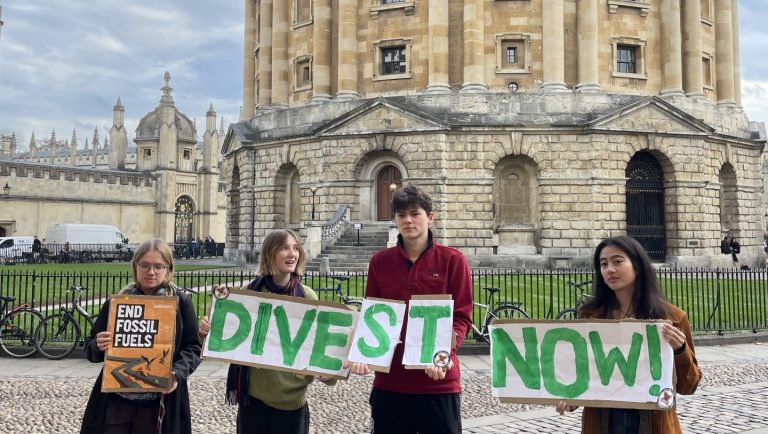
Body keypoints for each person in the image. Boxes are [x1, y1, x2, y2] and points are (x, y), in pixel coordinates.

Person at [346, 185, 473, 434]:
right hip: (390, 384)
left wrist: (443, 355)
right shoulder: (379, 262)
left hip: (438, 382)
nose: (407, 220)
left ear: (430, 217)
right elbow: (374, 315)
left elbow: (461, 318)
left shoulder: (452, 260)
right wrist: (365, 355)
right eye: (401, 215)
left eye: (415, 213)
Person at [555, 235, 701, 434]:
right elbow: (583, 374)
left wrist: (680, 350)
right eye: (603, 264)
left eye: (617, 261)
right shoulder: (591, 316)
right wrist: (571, 399)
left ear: (637, 266)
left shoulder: (672, 318)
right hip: (603, 423)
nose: (609, 270)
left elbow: (688, 386)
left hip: (652, 424)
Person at [199, 229, 334, 434]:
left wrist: (329, 374)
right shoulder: (248, 292)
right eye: (284, 248)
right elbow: (221, 343)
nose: (292, 254)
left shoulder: (307, 296)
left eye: (296, 248)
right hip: (253, 400)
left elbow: (318, 347)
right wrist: (206, 333)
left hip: (291, 402)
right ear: (270, 253)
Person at [80, 238, 201, 434]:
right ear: (135, 266)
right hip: (117, 402)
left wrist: (176, 373)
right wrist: (97, 345)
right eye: (145, 265)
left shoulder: (181, 303)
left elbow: (193, 348)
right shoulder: (116, 304)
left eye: (158, 266)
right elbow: (90, 349)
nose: (151, 272)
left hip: (160, 402)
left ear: (168, 270)